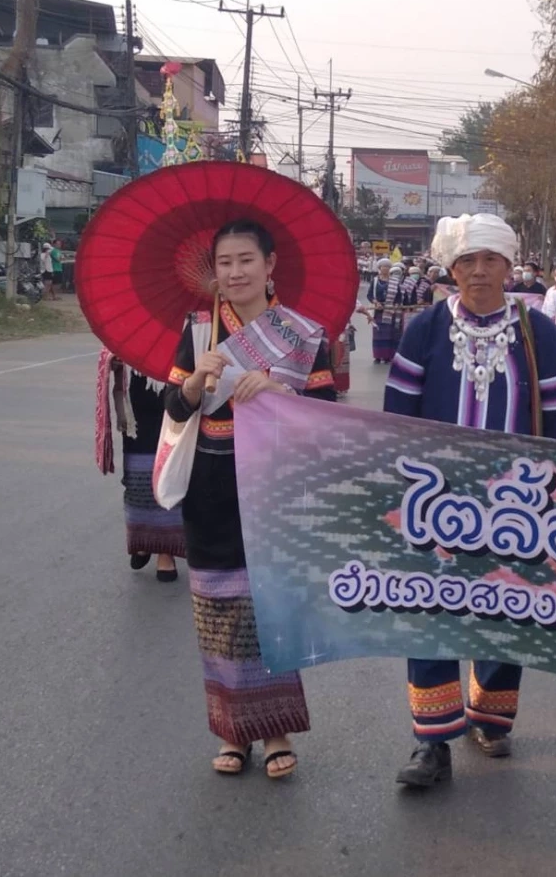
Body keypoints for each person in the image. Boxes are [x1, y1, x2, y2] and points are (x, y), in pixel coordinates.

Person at [385, 213, 556, 788]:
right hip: (433, 499)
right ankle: (432, 741)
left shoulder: (537, 331)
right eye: (467, 261)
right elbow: (398, 415)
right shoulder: (423, 329)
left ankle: (490, 718)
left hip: (516, 502)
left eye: (490, 260)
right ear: (451, 268)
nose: (478, 271)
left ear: (509, 265)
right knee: (431, 614)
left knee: (506, 607)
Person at [163, 219, 338, 779]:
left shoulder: (307, 335)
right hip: (212, 486)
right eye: (225, 263)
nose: (235, 272)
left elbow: (328, 417)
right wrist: (196, 383)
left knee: (269, 608)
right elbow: (169, 409)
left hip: (277, 485)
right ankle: (231, 731)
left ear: (270, 265)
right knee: (218, 610)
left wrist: (281, 391)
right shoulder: (197, 332)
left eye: (246, 260)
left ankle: (277, 730)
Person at [96, 351, 183, 581]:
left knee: (168, 475)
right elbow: (110, 346)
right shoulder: (134, 321)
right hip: (136, 395)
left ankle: (166, 551)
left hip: (174, 388)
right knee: (137, 478)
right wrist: (113, 361)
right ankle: (143, 540)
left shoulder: (186, 317)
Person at [367, 259, 402, 364]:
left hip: (389, 312)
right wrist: (375, 302)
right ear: (379, 268)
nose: (385, 268)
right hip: (378, 311)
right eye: (383, 266)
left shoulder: (395, 282)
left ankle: (387, 356)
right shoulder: (375, 281)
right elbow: (369, 295)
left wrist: (395, 305)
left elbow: (399, 297)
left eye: (387, 267)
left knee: (389, 334)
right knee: (378, 334)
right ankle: (378, 356)